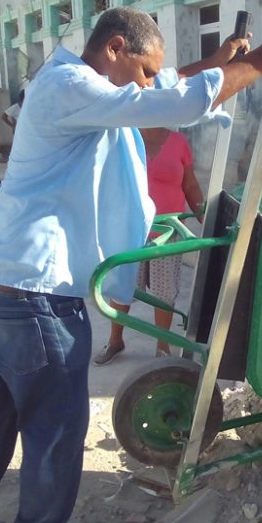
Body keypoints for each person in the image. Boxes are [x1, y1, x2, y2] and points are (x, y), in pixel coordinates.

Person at [0, 4, 262, 523]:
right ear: (114, 49)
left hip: (3, 284)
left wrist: (214, 62)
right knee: (55, 430)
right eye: (144, 69)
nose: (148, 83)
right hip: (38, 296)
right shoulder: (71, 89)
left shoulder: (71, 83)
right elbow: (164, 99)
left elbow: (158, 88)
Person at [94, 127, 203, 364]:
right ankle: (115, 340)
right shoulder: (122, 139)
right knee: (123, 287)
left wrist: (205, 215)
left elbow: (190, 184)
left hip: (168, 233)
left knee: (164, 292)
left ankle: (162, 347)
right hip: (130, 230)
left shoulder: (178, 142)